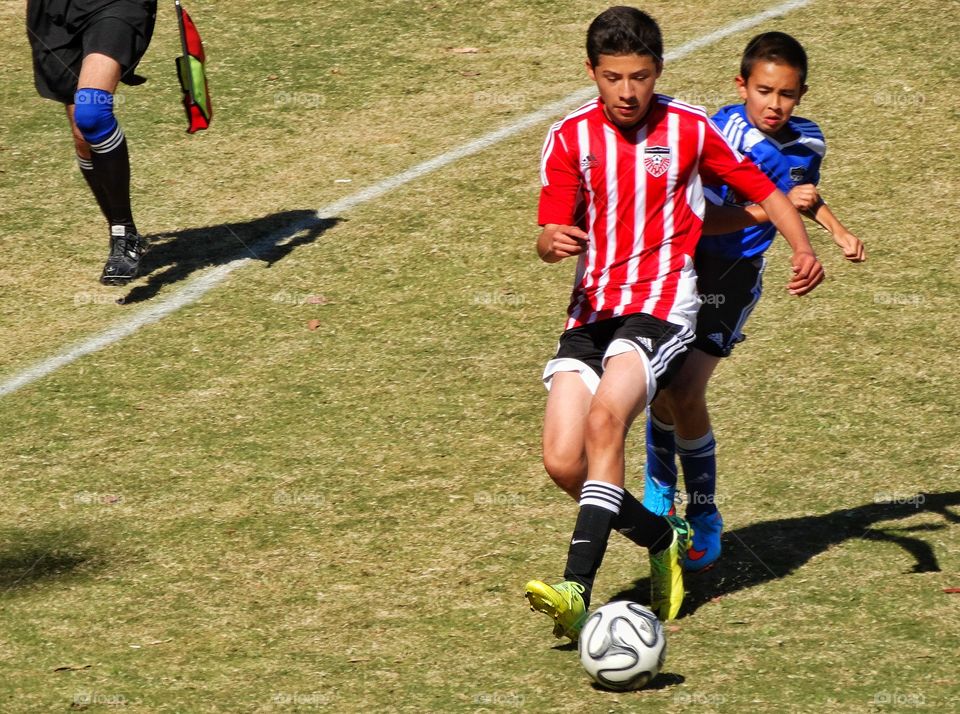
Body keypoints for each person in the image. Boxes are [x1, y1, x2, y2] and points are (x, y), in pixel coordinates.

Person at [523, 8, 824, 640]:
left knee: (609, 420)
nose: (627, 92)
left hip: (661, 306)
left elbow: (762, 191)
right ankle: (660, 535)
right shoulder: (568, 137)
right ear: (592, 73)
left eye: (639, 76)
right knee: (562, 463)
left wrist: (801, 245)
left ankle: (576, 587)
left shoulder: (687, 129)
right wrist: (552, 243)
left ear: (658, 70)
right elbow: (551, 225)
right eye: (613, 78)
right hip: (591, 311)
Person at [642, 31, 865, 572]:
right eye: (764, 90)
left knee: (686, 387)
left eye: (786, 94)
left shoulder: (809, 141)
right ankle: (657, 496)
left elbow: (802, 194)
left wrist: (833, 232)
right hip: (685, 264)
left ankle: (704, 514)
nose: (774, 104)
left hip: (736, 277)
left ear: (802, 94)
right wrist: (779, 210)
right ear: (742, 85)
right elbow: (702, 216)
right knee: (660, 383)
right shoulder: (722, 133)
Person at [26, 0, 158, 285]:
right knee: (82, 136)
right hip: (52, 10)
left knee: (92, 113)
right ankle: (124, 231)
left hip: (115, 5)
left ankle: (122, 232)